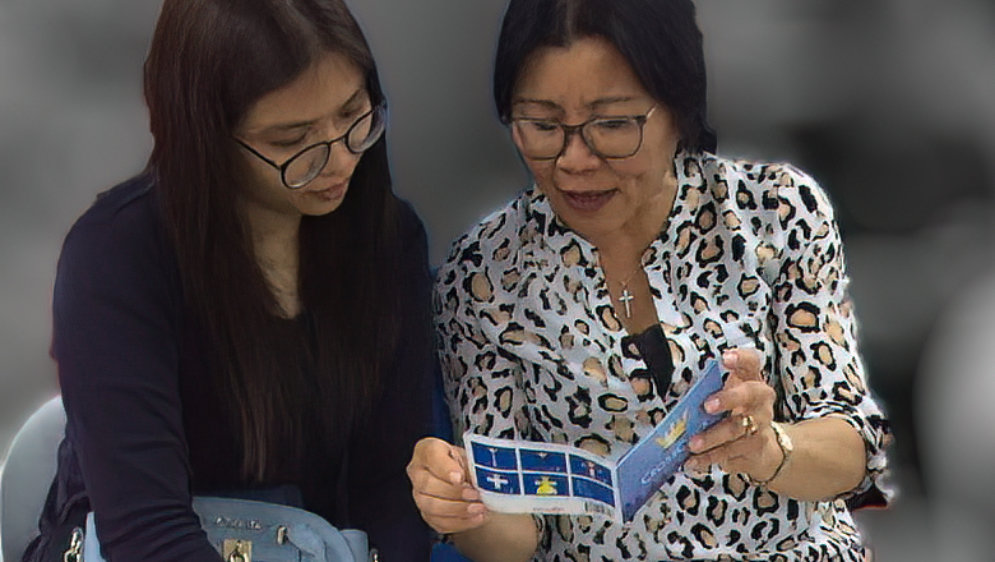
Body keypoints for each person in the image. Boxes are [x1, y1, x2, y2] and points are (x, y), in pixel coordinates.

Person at [407, 0, 891, 560]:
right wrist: (458, 506)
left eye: (612, 125)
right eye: (541, 126)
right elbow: (517, 538)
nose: (574, 160)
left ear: (679, 107)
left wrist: (770, 449)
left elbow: (853, 448)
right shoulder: (485, 272)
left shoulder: (777, 212)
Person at [24, 0, 434, 560]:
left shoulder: (390, 239)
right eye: (293, 142)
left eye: (354, 114)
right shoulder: (116, 254)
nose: (340, 160)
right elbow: (146, 531)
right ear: (204, 136)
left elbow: (391, 489)